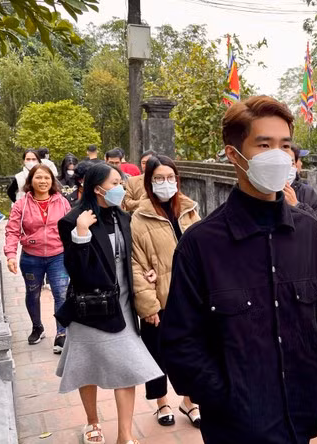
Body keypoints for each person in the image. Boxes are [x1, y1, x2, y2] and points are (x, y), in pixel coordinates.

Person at [161, 96, 317, 444]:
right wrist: (224, 397)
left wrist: (316, 367)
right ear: (233, 154)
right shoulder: (202, 244)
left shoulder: (308, 231)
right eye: (264, 144)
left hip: (299, 417)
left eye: (285, 145)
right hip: (235, 427)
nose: (278, 155)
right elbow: (180, 342)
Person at [55, 162, 162, 444]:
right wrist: (80, 236)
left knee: (128, 366)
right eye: (115, 183)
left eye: (121, 182)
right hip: (91, 307)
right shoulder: (73, 221)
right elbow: (76, 272)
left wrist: (144, 272)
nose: (120, 188)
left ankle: (124, 435)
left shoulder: (123, 218)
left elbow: (131, 258)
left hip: (124, 303)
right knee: (86, 365)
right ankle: (92, 422)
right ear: (97, 187)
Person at [130, 155, 202, 428]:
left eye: (170, 177)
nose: (166, 183)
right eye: (159, 178)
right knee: (157, 353)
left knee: (192, 351)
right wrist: (148, 304)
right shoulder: (140, 216)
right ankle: (161, 403)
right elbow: (136, 264)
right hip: (160, 297)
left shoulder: (189, 209)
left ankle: (190, 401)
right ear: (149, 183)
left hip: (192, 296)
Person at [4, 164, 71, 351]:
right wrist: (10, 254)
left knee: (61, 293)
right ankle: (37, 327)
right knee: (33, 293)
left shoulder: (62, 202)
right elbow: (12, 230)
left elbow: (70, 227)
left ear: (52, 181)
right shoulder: (21, 204)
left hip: (58, 255)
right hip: (31, 258)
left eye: (47, 178)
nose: (43, 181)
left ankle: (61, 333)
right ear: (31, 181)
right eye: (39, 178)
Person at [282, 145, 317, 240]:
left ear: (295, 165)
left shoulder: (307, 192)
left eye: (291, 163)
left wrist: (297, 206)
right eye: (282, 162)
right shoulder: (262, 194)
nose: (287, 167)